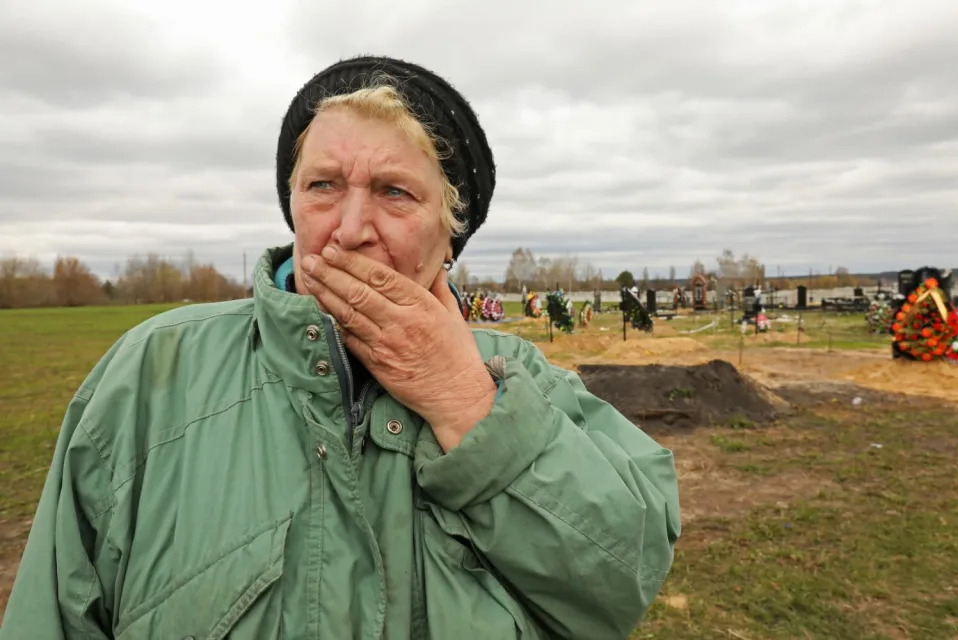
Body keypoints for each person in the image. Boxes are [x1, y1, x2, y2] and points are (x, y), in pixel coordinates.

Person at [1, 56, 681, 639]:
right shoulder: (150, 372)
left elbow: (620, 580)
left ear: (450, 238)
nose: (350, 229)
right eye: (324, 185)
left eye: (394, 192)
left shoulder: (525, 381)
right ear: (292, 203)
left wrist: (466, 402)